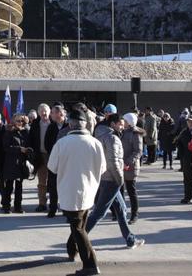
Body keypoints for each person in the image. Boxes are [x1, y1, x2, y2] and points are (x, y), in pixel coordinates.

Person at [47, 108, 106, 276]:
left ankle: (90, 264)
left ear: (70, 125)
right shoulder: (95, 143)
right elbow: (103, 168)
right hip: (89, 190)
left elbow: (52, 167)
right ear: (85, 124)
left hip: (69, 190)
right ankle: (72, 250)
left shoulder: (62, 143)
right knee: (80, 225)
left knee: (78, 228)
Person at [84, 111, 145, 248]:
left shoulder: (99, 134)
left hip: (105, 177)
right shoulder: (112, 138)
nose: (122, 127)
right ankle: (77, 239)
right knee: (99, 213)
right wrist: (120, 180)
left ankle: (130, 240)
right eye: (120, 124)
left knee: (121, 209)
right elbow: (113, 162)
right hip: (112, 179)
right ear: (113, 124)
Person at [2, 113, 31, 214]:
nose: (20, 123)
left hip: (21, 163)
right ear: (13, 121)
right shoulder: (9, 131)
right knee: (9, 186)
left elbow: (29, 144)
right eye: (18, 121)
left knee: (19, 186)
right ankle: (6, 206)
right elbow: (6, 147)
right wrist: (19, 149)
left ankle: (18, 207)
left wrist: (28, 151)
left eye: (22, 121)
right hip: (11, 162)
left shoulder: (25, 132)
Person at [28, 103, 53, 213]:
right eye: (41, 111)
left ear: (49, 111)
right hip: (40, 156)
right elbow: (30, 140)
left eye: (45, 111)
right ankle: (42, 204)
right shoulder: (35, 124)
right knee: (42, 182)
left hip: (52, 156)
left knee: (54, 182)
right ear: (38, 113)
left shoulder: (53, 123)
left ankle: (54, 203)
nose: (43, 113)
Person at [120, 112, 144, 224]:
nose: (122, 122)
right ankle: (120, 212)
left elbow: (138, 151)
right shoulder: (122, 132)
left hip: (131, 167)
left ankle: (135, 214)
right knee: (119, 191)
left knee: (131, 191)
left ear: (129, 122)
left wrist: (128, 162)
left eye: (124, 121)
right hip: (121, 165)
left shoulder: (135, 133)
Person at [175, 115, 192, 203]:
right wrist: (182, 155)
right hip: (187, 158)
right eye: (189, 122)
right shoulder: (184, 132)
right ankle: (188, 197)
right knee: (187, 179)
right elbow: (178, 143)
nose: (190, 123)